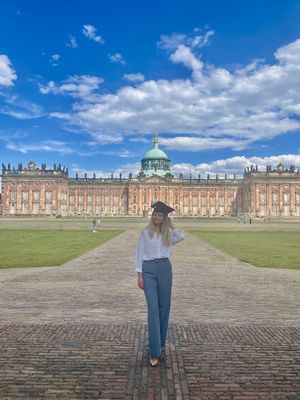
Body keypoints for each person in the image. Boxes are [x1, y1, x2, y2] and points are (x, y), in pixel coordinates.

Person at [135, 201, 184, 367]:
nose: (156, 217)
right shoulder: (145, 233)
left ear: (164, 218)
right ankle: (154, 351)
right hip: (148, 269)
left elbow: (181, 236)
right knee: (153, 308)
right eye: (155, 214)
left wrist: (171, 224)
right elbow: (139, 254)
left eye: (160, 215)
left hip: (164, 268)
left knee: (164, 307)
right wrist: (139, 275)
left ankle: (161, 345)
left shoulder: (168, 235)